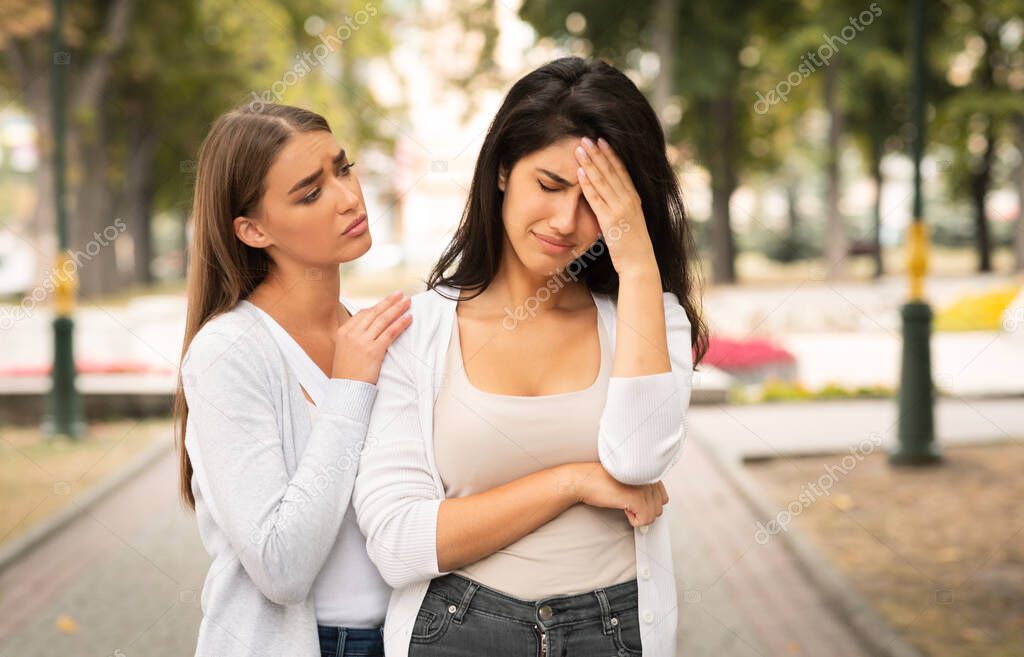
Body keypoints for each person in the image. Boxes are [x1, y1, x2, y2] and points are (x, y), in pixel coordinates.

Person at [353, 56, 708, 657]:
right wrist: (571, 482)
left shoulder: (651, 316)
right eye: (548, 185)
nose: (567, 222)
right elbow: (398, 543)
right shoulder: (418, 332)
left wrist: (640, 264)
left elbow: (640, 460)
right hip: (456, 628)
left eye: (597, 203)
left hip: (614, 630)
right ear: (501, 171)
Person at [174, 103, 410, 657]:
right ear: (253, 229)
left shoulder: (374, 336)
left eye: (343, 168)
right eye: (310, 193)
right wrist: (350, 389)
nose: (349, 198)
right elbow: (281, 567)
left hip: (405, 639)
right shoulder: (228, 353)